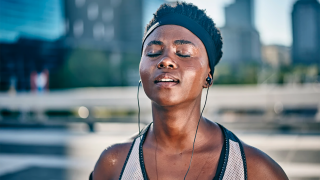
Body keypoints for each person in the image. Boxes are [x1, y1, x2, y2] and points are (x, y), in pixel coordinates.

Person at [92, 2, 288, 180]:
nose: (165, 60)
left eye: (184, 53)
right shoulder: (113, 165)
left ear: (208, 76)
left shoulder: (255, 170)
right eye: (153, 52)